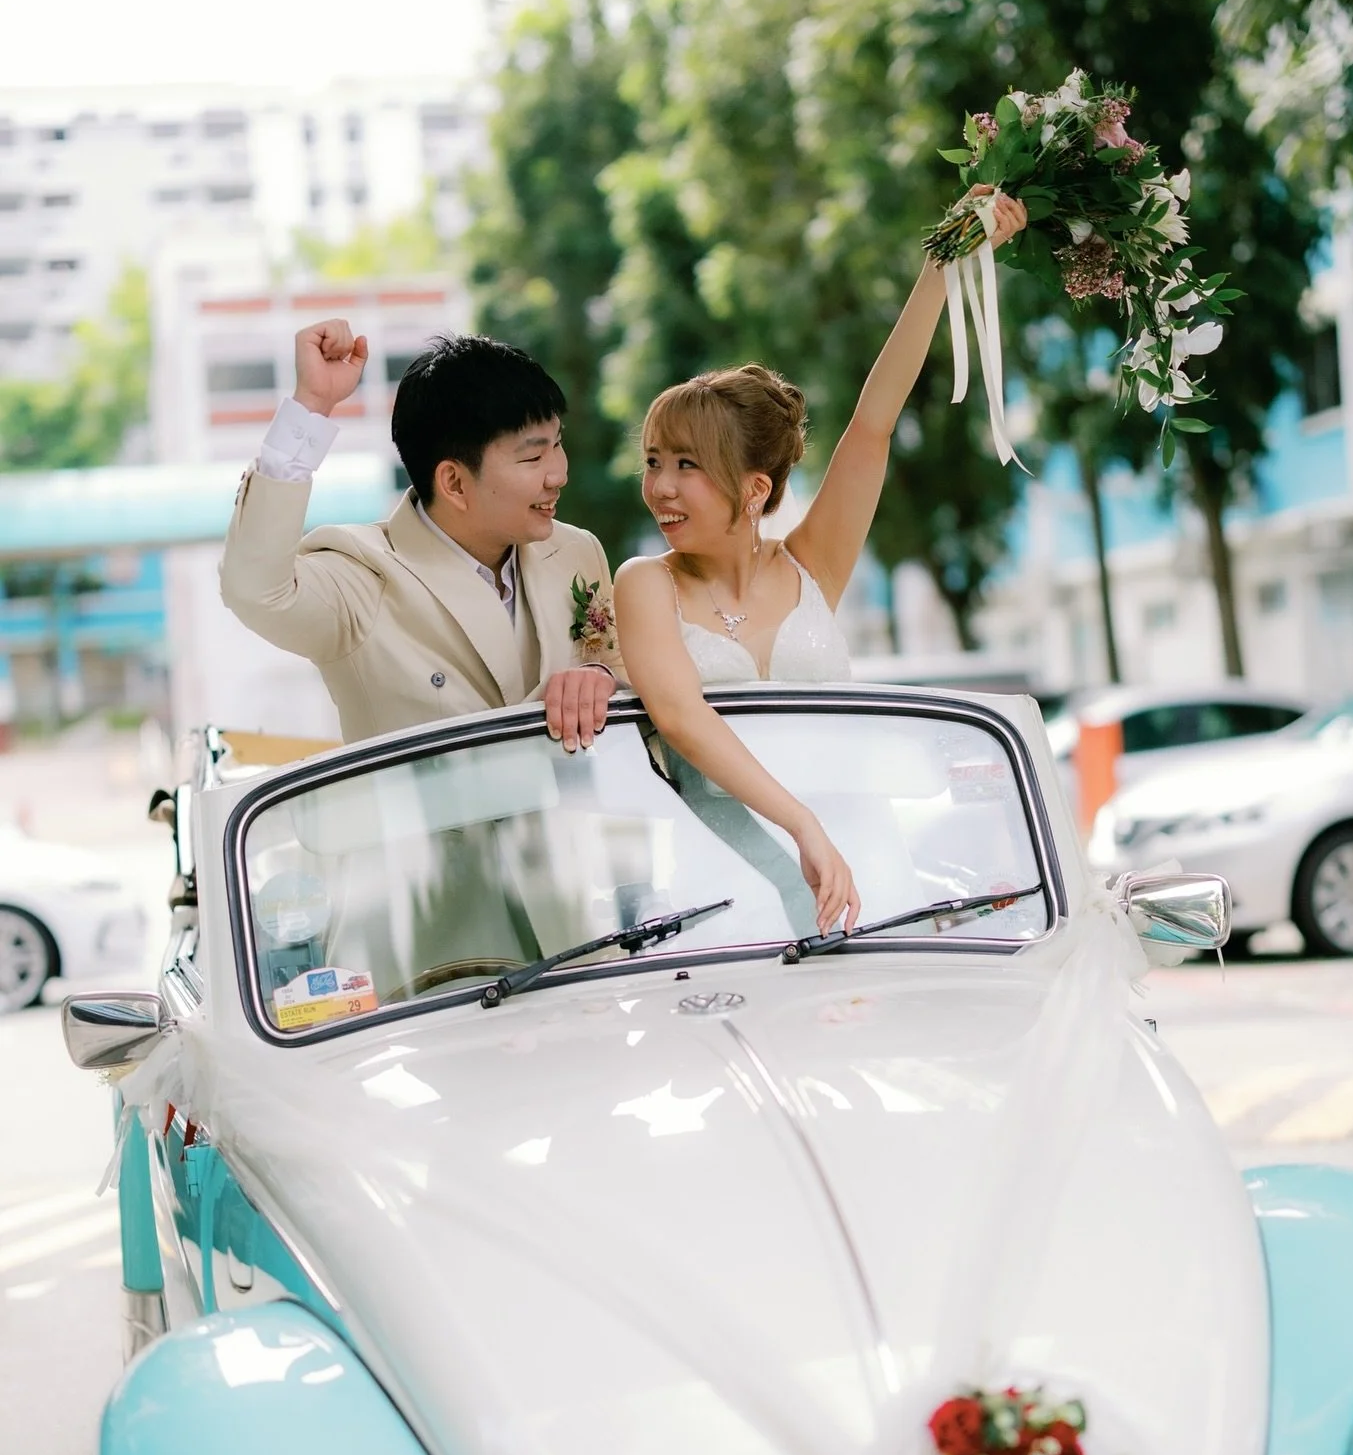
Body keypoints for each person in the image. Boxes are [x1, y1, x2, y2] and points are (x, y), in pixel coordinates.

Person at [613, 191, 1028, 936]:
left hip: (862, 863)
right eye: (652, 461)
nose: (660, 487)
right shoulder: (645, 584)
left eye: (685, 464)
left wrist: (944, 264)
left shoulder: (812, 568)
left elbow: (874, 423)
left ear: (755, 489)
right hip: (725, 880)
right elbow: (680, 716)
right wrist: (801, 824)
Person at [220, 321, 620, 749]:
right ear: (453, 483)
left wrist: (602, 677)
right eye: (534, 456)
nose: (559, 473)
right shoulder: (365, 576)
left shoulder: (575, 551)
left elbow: (628, 677)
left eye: (557, 444)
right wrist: (311, 406)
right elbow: (257, 592)